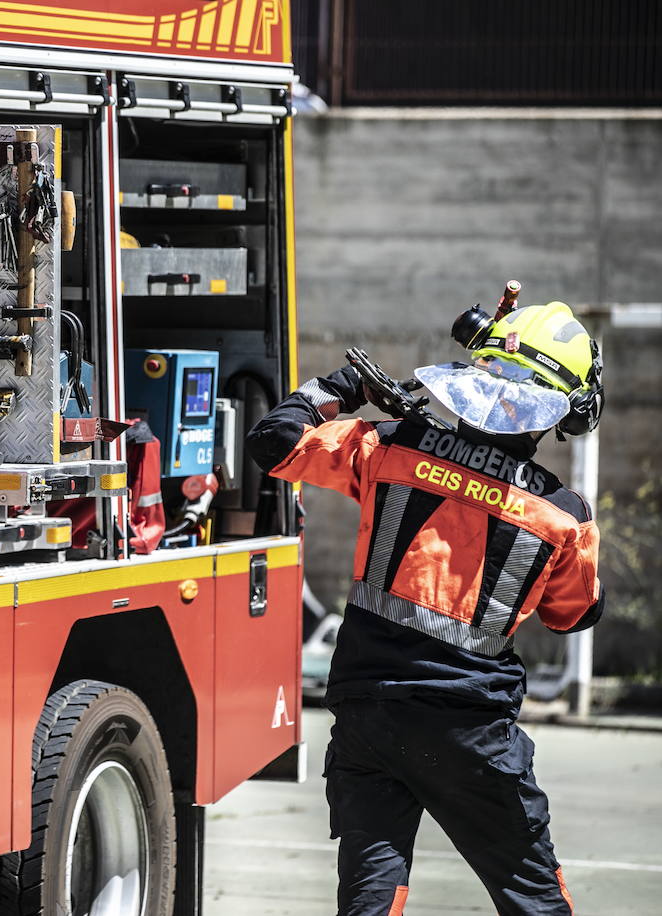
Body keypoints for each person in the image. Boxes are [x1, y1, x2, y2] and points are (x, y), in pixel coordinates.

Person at [245, 300, 604, 915]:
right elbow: (573, 614)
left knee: (371, 898)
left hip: (366, 715)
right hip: (471, 733)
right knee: (534, 899)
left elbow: (275, 441)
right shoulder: (561, 516)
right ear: (561, 409)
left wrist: (342, 386)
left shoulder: (391, 448)